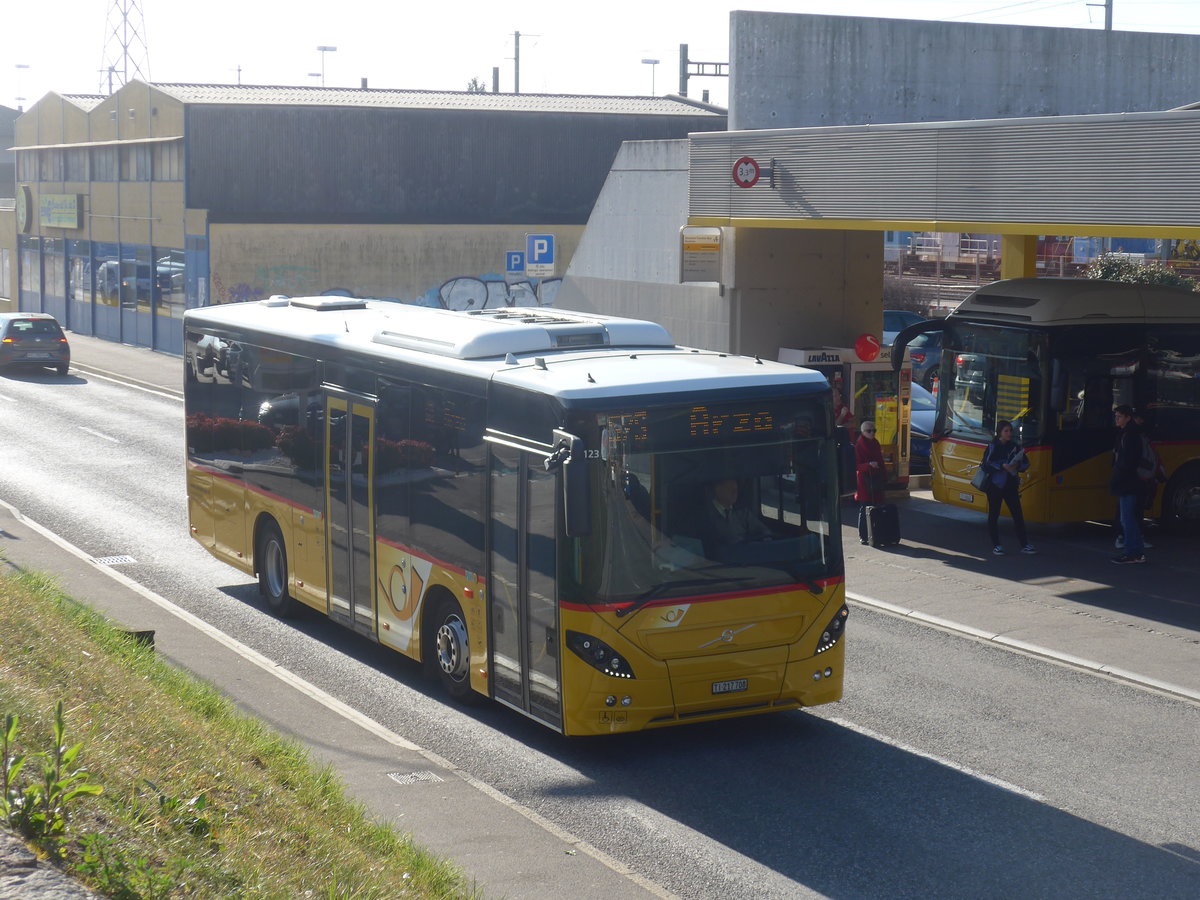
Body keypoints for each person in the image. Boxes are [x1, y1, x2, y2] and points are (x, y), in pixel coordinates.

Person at [980, 420, 1035, 556]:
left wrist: (1016, 465)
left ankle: (1025, 544)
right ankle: (997, 545)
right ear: (1000, 433)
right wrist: (1002, 465)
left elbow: (1025, 463)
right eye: (1006, 431)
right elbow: (985, 465)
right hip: (995, 485)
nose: (1009, 433)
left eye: (1010, 431)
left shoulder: (1014, 446)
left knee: (1017, 514)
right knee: (994, 514)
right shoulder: (993, 446)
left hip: (1010, 485)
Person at [1110, 404, 1147, 564]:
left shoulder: (1129, 435)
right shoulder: (1129, 433)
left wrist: (1119, 473)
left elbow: (1127, 461)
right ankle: (1136, 552)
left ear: (1127, 417)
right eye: (1116, 416)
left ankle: (1132, 552)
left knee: (1127, 519)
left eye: (1119, 416)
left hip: (1128, 482)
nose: (1116, 419)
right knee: (1129, 517)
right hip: (1130, 481)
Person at [699, 478, 772, 556]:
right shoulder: (704, 516)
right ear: (718, 489)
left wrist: (764, 540)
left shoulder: (743, 512)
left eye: (736, 490)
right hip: (720, 563)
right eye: (730, 489)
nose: (734, 493)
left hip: (747, 558)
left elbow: (764, 531)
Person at [854, 420, 886, 544]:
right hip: (865, 481)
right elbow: (856, 465)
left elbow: (881, 461)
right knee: (865, 507)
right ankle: (863, 535)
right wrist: (868, 465)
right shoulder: (859, 445)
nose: (872, 433)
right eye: (869, 431)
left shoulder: (875, 443)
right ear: (863, 432)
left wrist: (884, 476)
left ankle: (875, 533)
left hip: (876, 478)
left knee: (877, 507)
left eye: (874, 430)